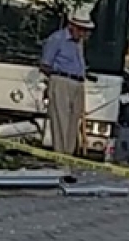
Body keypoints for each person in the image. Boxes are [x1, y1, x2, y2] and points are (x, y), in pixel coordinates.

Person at [40, 11, 93, 154]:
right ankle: (60, 155)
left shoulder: (79, 43)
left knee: (73, 121)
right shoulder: (57, 39)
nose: (82, 33)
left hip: (78, 82)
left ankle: (68, 156)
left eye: (85, 30)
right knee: (60, 120)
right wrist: (56, 79)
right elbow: (45, 64)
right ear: (71, 26)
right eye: (80, 29)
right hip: (61, 80)